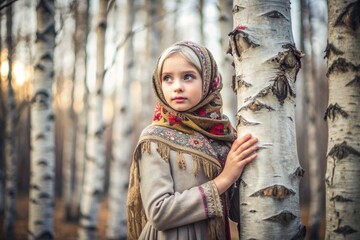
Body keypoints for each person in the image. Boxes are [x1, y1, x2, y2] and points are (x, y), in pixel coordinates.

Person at [127, 41, 258, 240]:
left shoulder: (225, 136)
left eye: (188, 77)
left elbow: (240, 212)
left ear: (208, 81)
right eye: (167, 78)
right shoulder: (155, 138)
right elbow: (159, 213)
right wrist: (224, 179)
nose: (177, 87)